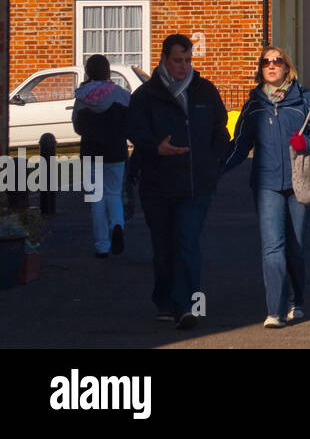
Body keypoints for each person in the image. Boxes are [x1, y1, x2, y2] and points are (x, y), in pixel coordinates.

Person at [225, 46, 310, 328]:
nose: (272, 65)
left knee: (295, 247)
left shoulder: (304, 102)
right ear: (261, 69)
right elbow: (239, 147)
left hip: (300, 183)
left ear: (287, 67)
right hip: (266, 184)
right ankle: (274, 311)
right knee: (272, 247)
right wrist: (214, 169)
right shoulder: (253, 107)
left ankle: (295, 301)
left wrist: (308, 143)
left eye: (277, 61)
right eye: (266, 62)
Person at [127, 34, 231, 329]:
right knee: (164, 247)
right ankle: (164, 300)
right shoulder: (146, 96)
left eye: (188, 60)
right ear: (164, 59)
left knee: (187, 242)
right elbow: (135, 129)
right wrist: (154, 146)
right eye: (177, 60)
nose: (184, 66)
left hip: (196, 184)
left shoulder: (205, 91)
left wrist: (214, 162)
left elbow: (220, 130)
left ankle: (187, 306)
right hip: (158, 185)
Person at [73, 55, 130, 259]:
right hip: (116, 150)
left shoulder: (82, 96)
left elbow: (77, 126)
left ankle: (101, 246)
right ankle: (117, 225)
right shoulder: (120, 94)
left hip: (90, 151)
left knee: (96, 198)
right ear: (108, 71)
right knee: (113, 193)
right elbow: (129, 120)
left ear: (88, 71)